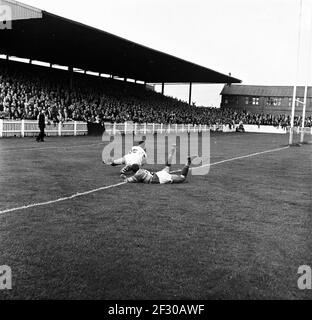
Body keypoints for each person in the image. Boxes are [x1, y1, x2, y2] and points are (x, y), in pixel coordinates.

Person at [122, 145, 193, 184]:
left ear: (133, 171)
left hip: (158, 178)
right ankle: (172, 151)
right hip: (159, 174)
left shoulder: (137, 175)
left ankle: (187, 164)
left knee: (182, 178)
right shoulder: (142, 170)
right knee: (167, 166)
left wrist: (124, 177)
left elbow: (128, 180)